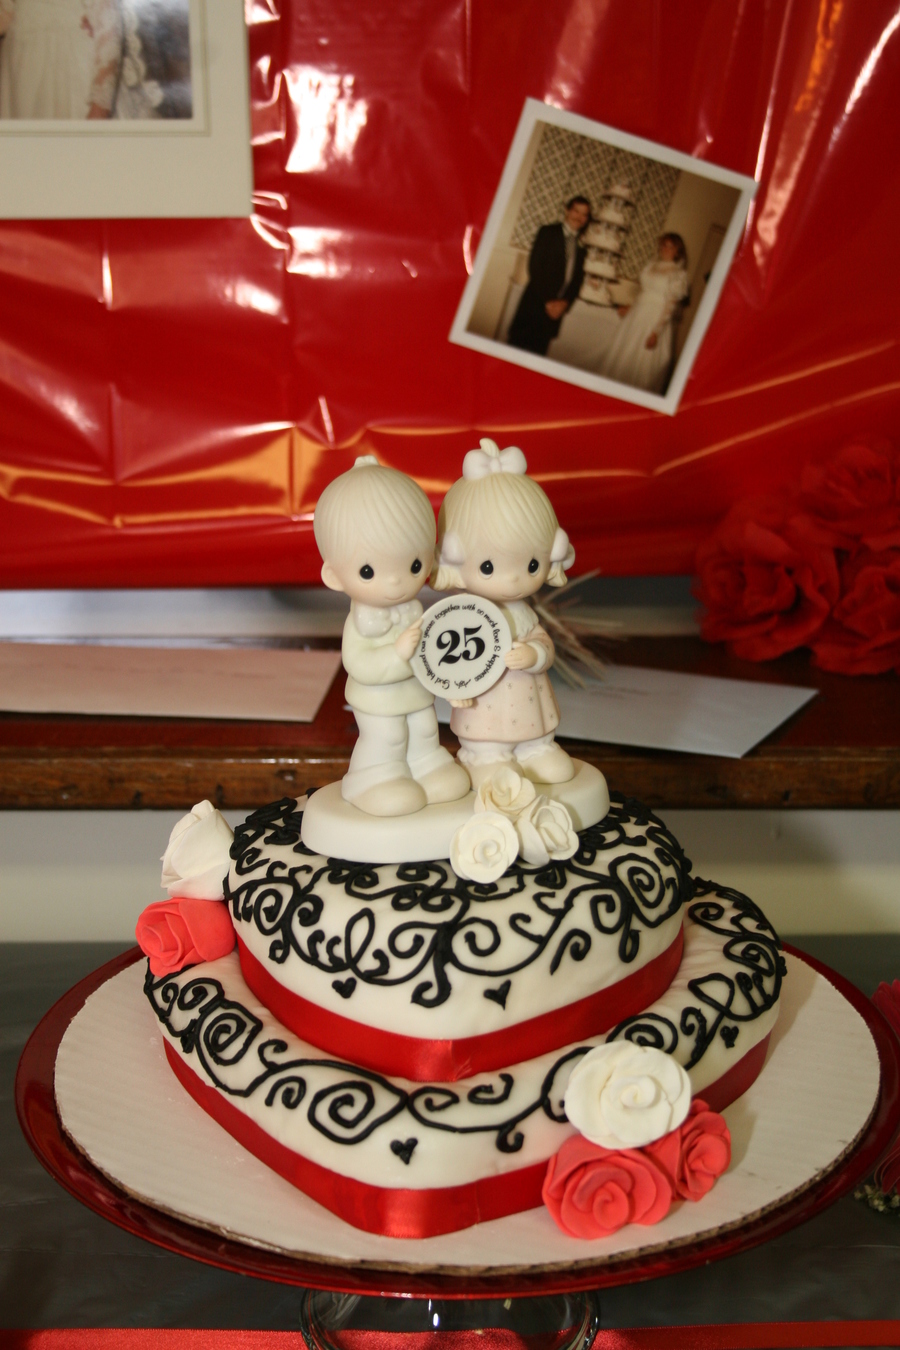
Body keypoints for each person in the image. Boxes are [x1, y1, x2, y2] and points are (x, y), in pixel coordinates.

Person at [314, 455, 469, 817]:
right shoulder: (361, 622)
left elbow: (438, 652)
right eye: (369, 571)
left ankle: (427, 767)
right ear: (334, 576)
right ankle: (372, 780)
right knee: (389, 736)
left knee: (425, 728)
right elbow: (359, 664)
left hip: (416, 692)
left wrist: (452, 682)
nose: (397, 582)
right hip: (378, 700)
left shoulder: (415, 611)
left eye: (414, 565)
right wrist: (397, 653)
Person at [431, 438, 576, 789]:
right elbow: (445, 657)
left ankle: (535, 750)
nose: (513, 580)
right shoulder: (463, 617)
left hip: (530, 708)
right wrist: (453, 686)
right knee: (493, 763)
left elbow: (544, 644)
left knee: (552, 766)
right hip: (485, 713)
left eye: (531, 565)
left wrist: (535, 654)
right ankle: (485, 756)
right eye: (488, 566)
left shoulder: (524, 614)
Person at [0, 0, 122, 119]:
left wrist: (98, 109)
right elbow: (6, 12)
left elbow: (109, 43)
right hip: (20, 74)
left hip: (69, 73)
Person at [599, 233, 689, 393]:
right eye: (663, 245)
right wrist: (631, 307)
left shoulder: (678, 275)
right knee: (623, 353)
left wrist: (656, 332)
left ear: (677, 251)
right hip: (637, 314)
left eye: (670, 247)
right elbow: (643, 292)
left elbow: (670, 306)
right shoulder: (651, 266)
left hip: (655, 318)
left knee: (641, 361)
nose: (665, 249)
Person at [507, 196, 590, 355]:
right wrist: (549, 301)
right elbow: (535, 267)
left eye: (584, 214)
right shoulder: (548, 232)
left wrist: (564, 303)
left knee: (537, 356)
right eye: (576, 211)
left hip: (553, 315)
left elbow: (576, 281)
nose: (579, 217)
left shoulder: (582, 246)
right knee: (513, 353)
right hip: (534, 306)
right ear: (567, 210)